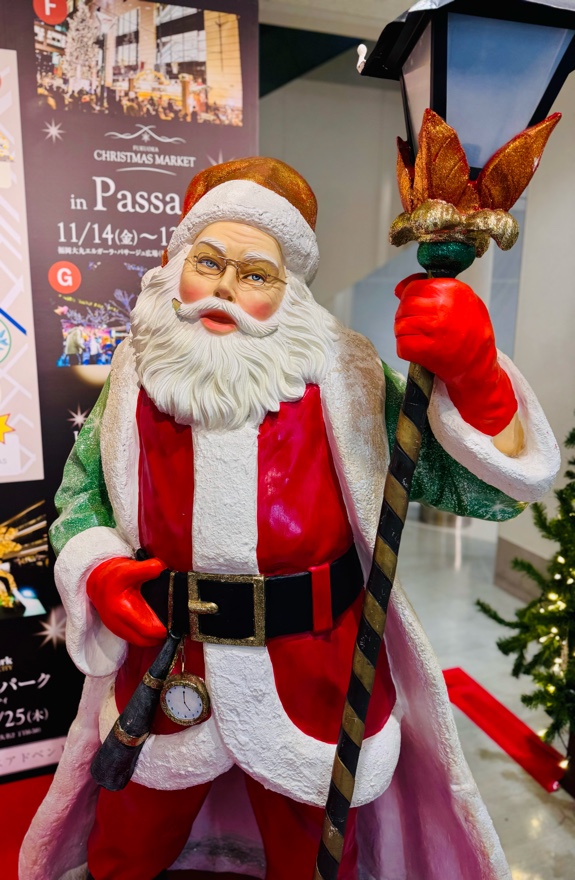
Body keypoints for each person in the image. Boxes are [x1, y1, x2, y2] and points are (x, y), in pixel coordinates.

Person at [21, 158, 559, 880]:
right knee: (127, 846)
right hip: (168, 666)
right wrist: (97, 567)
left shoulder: (348, 378)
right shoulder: (134, 376)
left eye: (255, 274)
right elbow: (81, 494)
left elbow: (477, 491)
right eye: (208, 262)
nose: (224, 288)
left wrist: (477, 382)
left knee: (311, 854)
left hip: (316, 675)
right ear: (175, 267)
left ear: (290, 291)